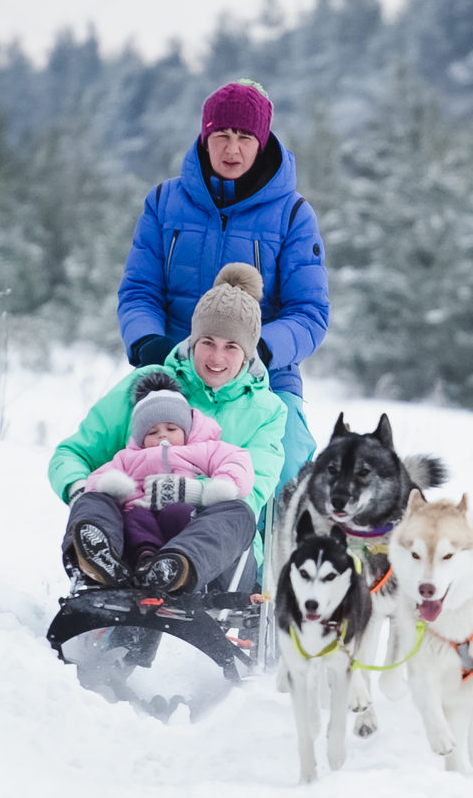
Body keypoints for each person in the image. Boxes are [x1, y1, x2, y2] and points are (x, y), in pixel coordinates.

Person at [117, 79, 327, 490]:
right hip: (174, 372)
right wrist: (148, 344)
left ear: (262, 141)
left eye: (245, 137)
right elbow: (139, 291)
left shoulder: (293, 215)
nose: (231, 150)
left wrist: (257, 350)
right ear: (205, 136)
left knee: (287, 479)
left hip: (264, 381)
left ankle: (276, 554)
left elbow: (310, 313)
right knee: (115, 455)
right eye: (221, 136)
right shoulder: (163, 202)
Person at [51, 263, 286, 595]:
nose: (217, 356)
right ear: (192, 341)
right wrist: (87, 493)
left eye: (231, 346)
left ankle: (176, 567)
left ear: (248, 352)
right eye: (208, 341)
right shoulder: (147, 386)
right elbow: (71, 455)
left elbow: (251, 489)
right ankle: (97, 556)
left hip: (215, 555)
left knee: (238, 512)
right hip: (133, 536)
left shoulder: (268, 411)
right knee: (94, 496)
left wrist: (187, 492)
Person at [78, 369, 255, 573]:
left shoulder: (202, 449)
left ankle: (175, 561)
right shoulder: (128, 457)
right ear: (141, 437)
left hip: (182, 514)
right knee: (135, 517)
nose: (163, 436)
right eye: (152, 432)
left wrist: (221, 484)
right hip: (141, 513)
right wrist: (115, 488)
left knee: (178, 512)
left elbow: (235, 459)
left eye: (172, 429)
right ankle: (147, 559)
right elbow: (97, 479)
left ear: (186, 430)